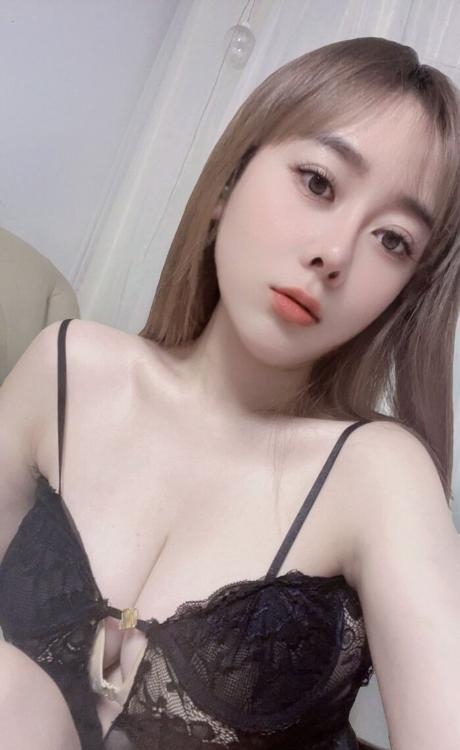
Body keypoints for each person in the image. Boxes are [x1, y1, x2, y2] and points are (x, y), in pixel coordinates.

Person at [0, 35, 460, 750]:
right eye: (319, 183)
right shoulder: (66, 369)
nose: (334, 254)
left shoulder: (378, 473)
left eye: (393, 240)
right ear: (227, 185)